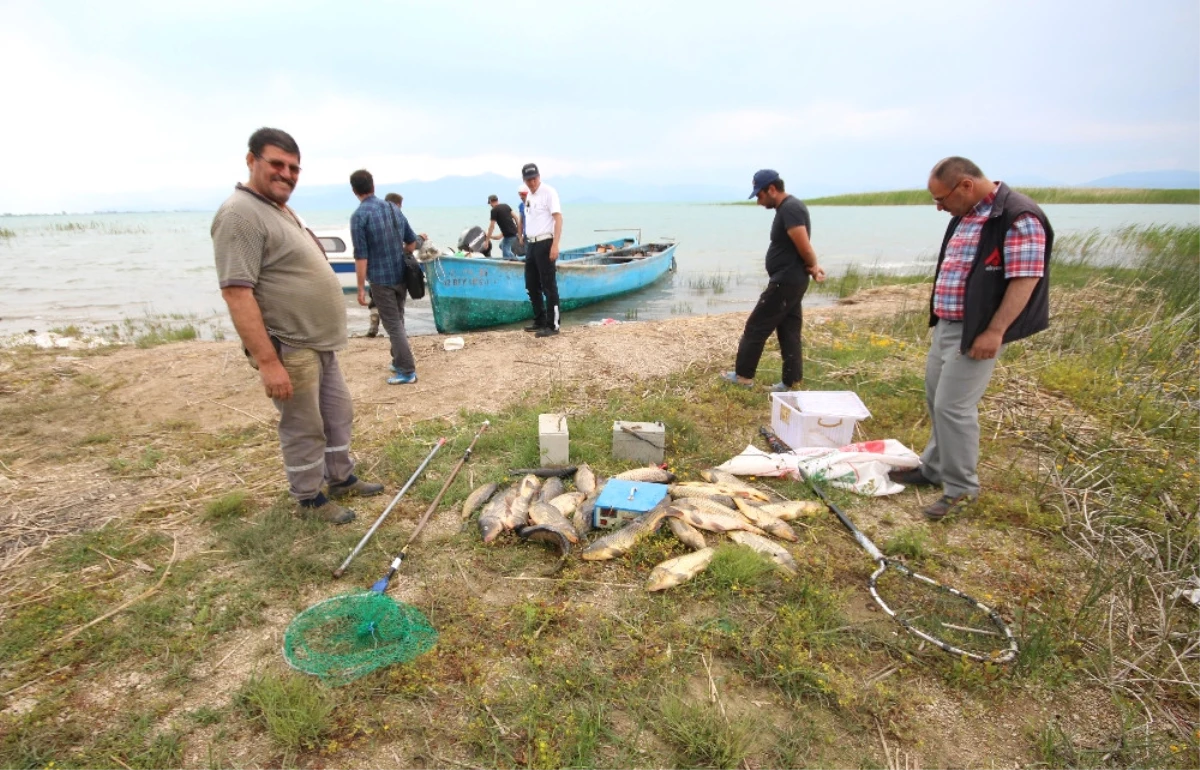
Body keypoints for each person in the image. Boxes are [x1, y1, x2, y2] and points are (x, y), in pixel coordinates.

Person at [211, 127, 383, 525]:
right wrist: (269, 362)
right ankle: (308, 497)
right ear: (251, 160)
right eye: (277, 164)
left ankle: (339, 477)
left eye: (293, 168)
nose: (286, 173)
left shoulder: (277, 208)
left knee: (338, 414)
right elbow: (237, 293)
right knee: (304, 425)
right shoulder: (239, 213)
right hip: (289, 345)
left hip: (318, 342)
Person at [889, 157, 1053, 521]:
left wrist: (995, 331)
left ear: (965, 185)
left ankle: (961, 490)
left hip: (978, 329)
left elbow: (1025, 279)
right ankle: (933, 469)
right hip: (948, 324)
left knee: (954, 407)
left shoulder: (1018, 216)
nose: (939, 207)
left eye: (941, 199)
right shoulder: (965, 214)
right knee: (936, 398)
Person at [722, 169, 825, 392]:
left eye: (759, 195)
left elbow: (803, 244)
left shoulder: (790, 209)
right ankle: (791, 382)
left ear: (772, 189)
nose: (758, 202)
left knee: (756, 327)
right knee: (789, 330)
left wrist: (814, 266)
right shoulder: (789, 208)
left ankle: (743, 377)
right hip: (793, 279)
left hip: (785, 281)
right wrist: (811, 268)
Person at [349, 170, 420, 384]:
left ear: (354, 191)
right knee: (398, 318)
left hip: (380, 279)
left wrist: (360, 288)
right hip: (401, 274)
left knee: (392, 324)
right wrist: (401, 252)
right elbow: (412, 242)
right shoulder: (392, 208)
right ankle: (399, 361)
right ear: (373, 186)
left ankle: (407, 370)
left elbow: (361, 256)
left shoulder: (359, 216)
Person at [520, 164, 563, 337]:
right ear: (524, 180)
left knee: (549, 286)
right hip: (532, 244)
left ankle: (553, 326)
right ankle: (540, 320)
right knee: (531, 284)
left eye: (534, 178)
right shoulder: (529, 194)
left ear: (539, 176)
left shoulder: (549, 192)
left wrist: (555, 244)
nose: (532, 182)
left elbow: (558, 218)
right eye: (528, 179)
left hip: (546, 242)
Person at [364, 193, 406, 337]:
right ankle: (400, 333)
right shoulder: (397, 218)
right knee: (397, 306)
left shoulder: (372, 217)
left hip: (374, 270)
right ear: (398, 204)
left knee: (375, 299)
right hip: (394, 270)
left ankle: (374, 322)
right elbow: (409, 242)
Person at [485, 194, 520, 260]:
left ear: (490, 201)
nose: (490, 205)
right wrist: (518, 230)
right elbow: (516, 217)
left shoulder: (494, 210)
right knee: (502, 245)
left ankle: (515, 263)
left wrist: (487, 240)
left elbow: (492, 226)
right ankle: (515, 260)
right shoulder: (506, 206)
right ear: (497, 200)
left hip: (509, 235)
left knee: (505, 251)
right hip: (513, 233)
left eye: (490, 203)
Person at [515, 184, 530, 257]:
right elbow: (520, 222)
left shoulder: (533, 204)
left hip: (535, 235)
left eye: (523, 194)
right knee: (528, 256)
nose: (521, 197)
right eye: (520, 195)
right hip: (526, 235)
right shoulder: (521, 205)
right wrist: (520, 236)